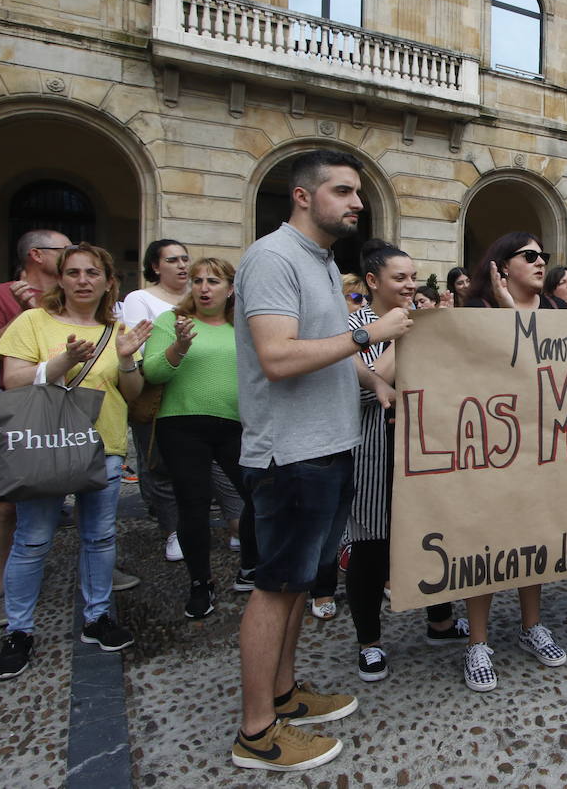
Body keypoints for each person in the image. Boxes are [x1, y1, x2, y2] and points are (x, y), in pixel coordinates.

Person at [231, 150, 410, 771]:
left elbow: (330, 353)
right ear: (303, 197)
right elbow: (278, 357)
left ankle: (283, 694)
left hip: (331, 446)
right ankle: (257, 732)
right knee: (275, 588)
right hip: (291, 453)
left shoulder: (320, 262)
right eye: (343, 191)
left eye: (358, 191)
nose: (357, 202)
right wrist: (372, 333)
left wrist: (375, 380)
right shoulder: (272, 258)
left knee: (300, 584)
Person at [0, 243, 152, 679]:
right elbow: (11, 379)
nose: (84, 280)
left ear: (107, 280)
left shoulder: (117, 329)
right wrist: (63, 360)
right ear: (60, 278)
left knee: (99, 537)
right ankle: (20, 630)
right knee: (33, 540)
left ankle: (97, 616)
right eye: (75, 272)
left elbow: (132, 394)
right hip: (45, 445)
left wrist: (124, 359)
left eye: (92, 273)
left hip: (104, 447)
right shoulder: (32, 321)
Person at [346, 240, 467, 683]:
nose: (410, 284)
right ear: (373, 282)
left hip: (426, 447)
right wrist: (399, 334)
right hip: (373, 450)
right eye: (400, 278)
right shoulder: (353, 327)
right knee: (372, 547)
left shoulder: (425, 321)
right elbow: (364, 388)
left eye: (413, 277)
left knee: (434, 535)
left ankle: (440, 621)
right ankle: (369, 641)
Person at [459, 232, 567, 691]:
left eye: (543, 256)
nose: (541, 262)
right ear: (501, 266)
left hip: (545, 442)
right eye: (529, 256)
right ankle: (478, 644)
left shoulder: (557, 311)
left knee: (534, 535)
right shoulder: (477, 312)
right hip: (492, 444)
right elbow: (484, 370)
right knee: (485, 541)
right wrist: (509, 313)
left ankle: (531, 626)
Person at [142, 257, 256, 619]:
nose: (204, 287)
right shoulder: (173, 321)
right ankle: (200, 583)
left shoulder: (243, 326)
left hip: (235, 425)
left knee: (258, 493)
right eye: (198, 280)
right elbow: (153, 371)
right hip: (182, 424)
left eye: (213, 281)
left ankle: (250, 566)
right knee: (193, 504)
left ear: (231, 289)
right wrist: (179, 346)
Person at [0, 229, 77, 629]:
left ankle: (99, 571)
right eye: (66, 250)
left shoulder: (70, 292)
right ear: (37, 255)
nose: (74, 256)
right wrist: (27, 316)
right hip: (11, 411)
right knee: (8, 502)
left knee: (88, 491)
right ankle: (2, 589)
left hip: (68, 408)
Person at [120, 239, 190, 564]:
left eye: (185, 259)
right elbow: (143, 347)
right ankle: (172, 529)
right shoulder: (140, 298)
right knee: (158, 463)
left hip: (198, 392)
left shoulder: (199, 297)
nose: (182, 265)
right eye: (173, 259)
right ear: (155, 266)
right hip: (157, 394)